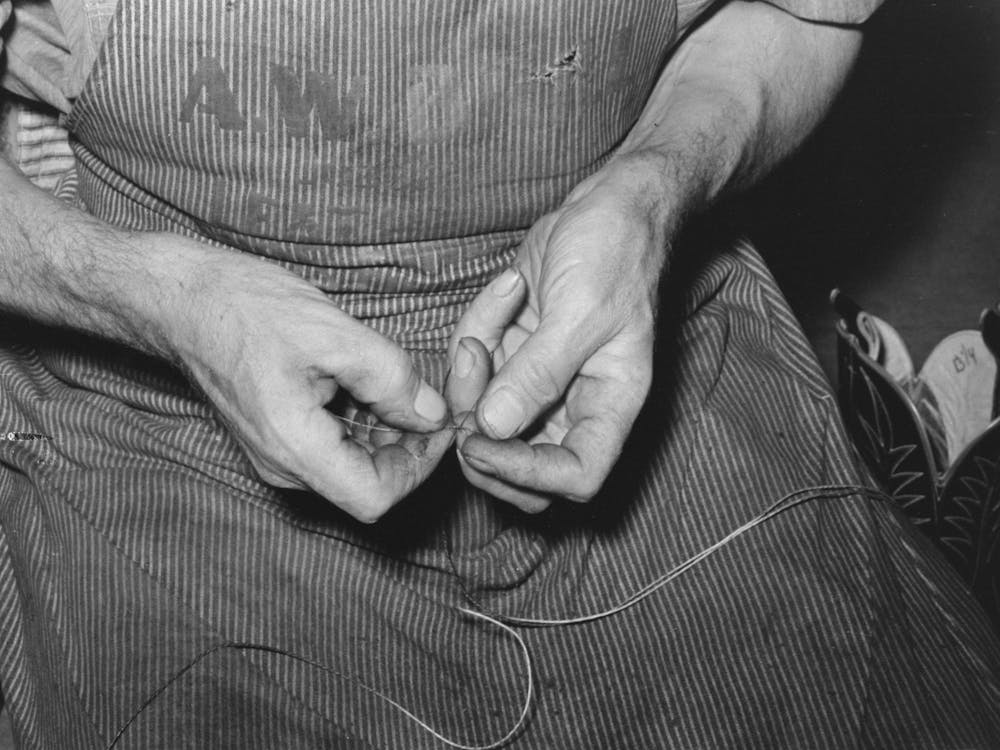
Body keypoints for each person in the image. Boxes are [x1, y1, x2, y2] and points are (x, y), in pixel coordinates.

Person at [1, 0, 999, 747]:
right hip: (151, 377)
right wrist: (160, 301)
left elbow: (793, 12)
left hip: (617, 319)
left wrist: (651, 191)